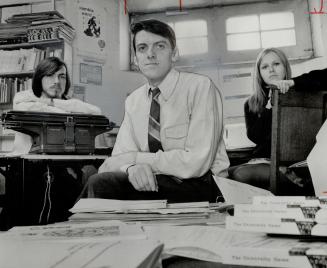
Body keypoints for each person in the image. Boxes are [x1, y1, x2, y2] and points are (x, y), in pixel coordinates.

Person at [84, 19, 229, 202]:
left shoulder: (200, 87)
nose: (150, 54)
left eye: (160, 46)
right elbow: (120, 157)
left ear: (174, 54)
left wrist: (138, 160)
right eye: (142, 48)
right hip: (157, 181)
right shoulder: (133, 101)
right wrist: (131, 168)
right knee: (94, 177)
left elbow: (196, 163)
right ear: (136, 59)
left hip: (202, 183)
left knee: (102, 184)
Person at [12, 57, 102, 223]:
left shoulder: (69, 102)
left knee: (85, 178)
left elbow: (96, 112)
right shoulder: (23, 97)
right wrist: (64, 107)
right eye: (50, 75)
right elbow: (24, 108)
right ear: (40, 78)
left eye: (61, 76)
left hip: (63, 169)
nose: (56, 81)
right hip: (29, 169)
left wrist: (54, 102)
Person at [228, 48, 314, 194]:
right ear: (259, 73)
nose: (271, 70)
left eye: (276, 64)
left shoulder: (302, 96)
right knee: (223, 175)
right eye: (265, 67)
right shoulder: (252, 103)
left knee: (240, 174)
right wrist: (269, 106)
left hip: (291, 164)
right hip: (261, 160)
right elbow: (256, 136)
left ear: (285, 67)